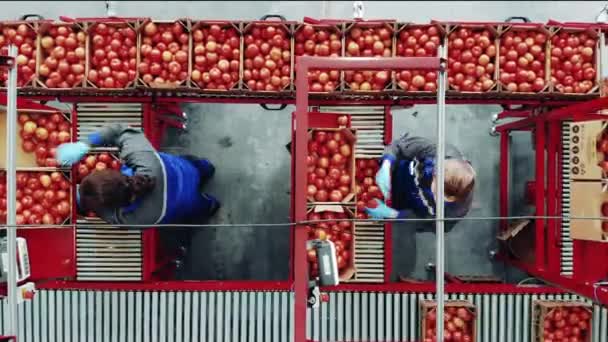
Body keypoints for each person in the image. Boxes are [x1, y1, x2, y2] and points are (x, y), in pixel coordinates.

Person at [56, 123, 220, 226]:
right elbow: (121, 130)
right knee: (198, 167)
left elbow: (104, 213)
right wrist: (86, 143)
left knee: (198, 206)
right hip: (184, 170)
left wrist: (80, 202)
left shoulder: (130, 217)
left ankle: (211, 205)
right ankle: (208, 169)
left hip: (182, 203)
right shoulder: (144, 160)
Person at [365, 133, 476, 227]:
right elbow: (401, 145)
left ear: (448, 199)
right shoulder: (440, 151)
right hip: (397, 171)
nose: (432, 174)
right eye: (435, 171)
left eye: (435, 185)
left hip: (404, 204)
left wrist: (393, 214)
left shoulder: (451, 214)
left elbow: (420, 223)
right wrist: (387, 163)